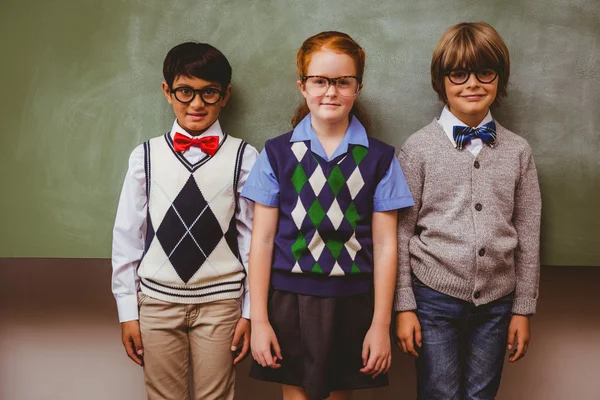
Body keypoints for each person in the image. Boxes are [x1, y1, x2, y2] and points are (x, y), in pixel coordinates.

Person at [242, 31, 414, 400]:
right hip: (289, 300)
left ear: (358, 86)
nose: (330, 91)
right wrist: (259, 320)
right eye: (320, 81)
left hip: (353, 302)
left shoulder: (380, 159)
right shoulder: (276, 154)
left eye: (342, 82)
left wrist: (380, 324)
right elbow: (262, 240)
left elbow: (386, 246)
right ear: (303, 86)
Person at [394, 22, 542, 399]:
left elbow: (528, 231)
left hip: (497, 304)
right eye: (459, 73)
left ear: (499, 79)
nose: (472, 83)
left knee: (481, 395)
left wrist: (523, 308)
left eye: (485, 72)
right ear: (441, 80)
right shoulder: (418, 149)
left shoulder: (518, 151)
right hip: (433, 300)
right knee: (438, 393)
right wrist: (404, 304)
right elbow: (400, 233)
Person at [111, 41, 258, 400]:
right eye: (185, 91)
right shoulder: (144, 156)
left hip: (222, 304)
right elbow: (127, 237)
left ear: (225, 95)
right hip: (157, 304)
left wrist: (251, 312)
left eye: (209, 92)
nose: (196, 104)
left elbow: (254, 241)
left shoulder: (245, 156)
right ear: (167, 91)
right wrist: (127, 310)